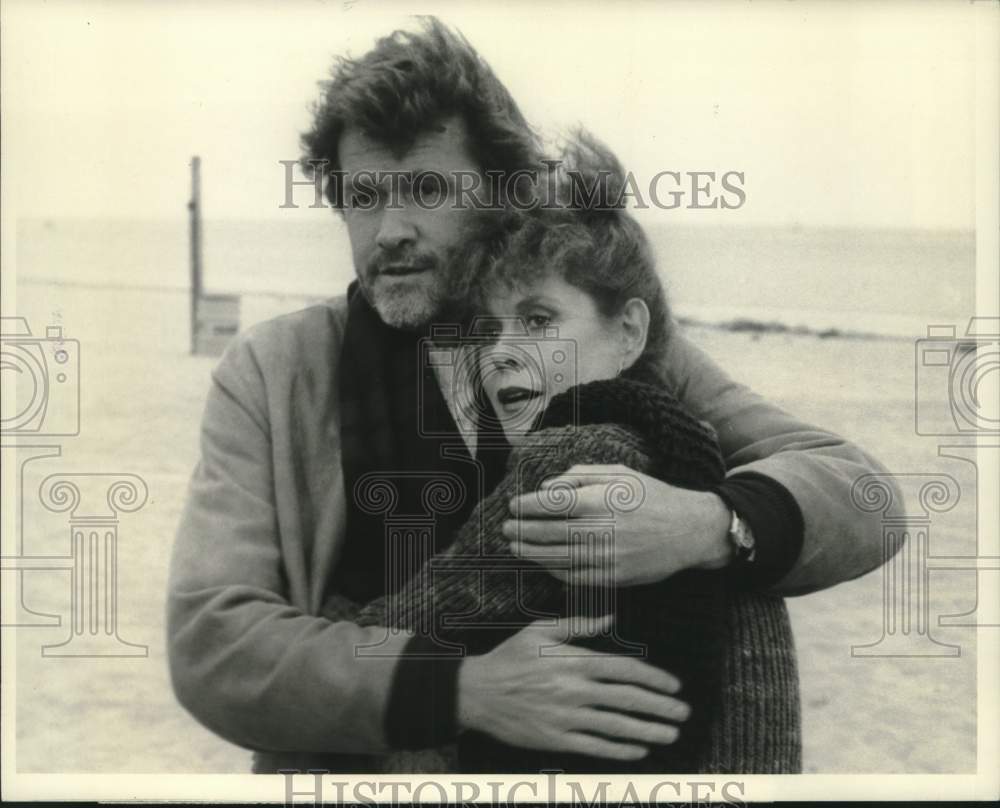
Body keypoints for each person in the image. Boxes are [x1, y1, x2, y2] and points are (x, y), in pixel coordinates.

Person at [167, 17, 900, 774]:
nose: (389, 229)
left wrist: (710, 524)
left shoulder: (592, 341)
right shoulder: (275, 368)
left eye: (426, 189)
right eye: (363, 196)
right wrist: (461, 687)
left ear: (498, 197)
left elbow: (863, 492)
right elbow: (214, 643)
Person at [316, 132, 801, 774]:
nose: (501, 354)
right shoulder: (699, 462)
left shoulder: (568, 457)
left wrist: (332, 618)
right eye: (489, 329)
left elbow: (401, 630)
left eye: (540, 319)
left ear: (629, 331)